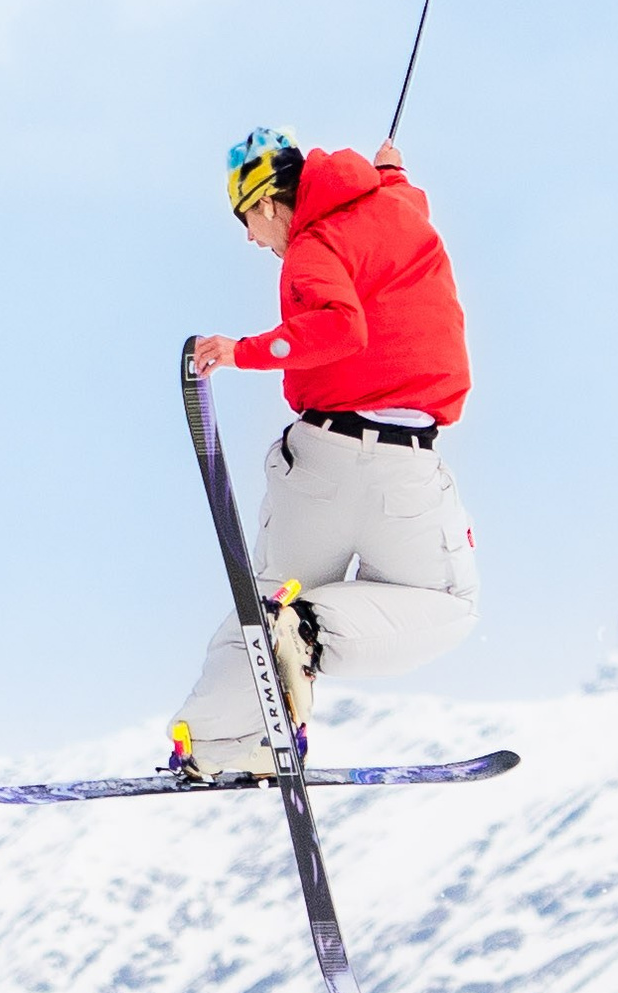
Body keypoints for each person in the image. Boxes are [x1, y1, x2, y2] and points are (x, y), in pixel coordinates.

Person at [171, 123, 479, 781]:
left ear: (269, 201)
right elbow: (404, 199)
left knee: (262, 611)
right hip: (404, 471)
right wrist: (390, 173)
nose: (253, 240)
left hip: (318, 463)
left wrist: (245, 350)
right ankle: (308, 632)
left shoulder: (311, 249)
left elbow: (340, 326)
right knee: (443, 604)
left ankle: (207, 743)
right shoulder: (396, 208)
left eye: (248, 220)